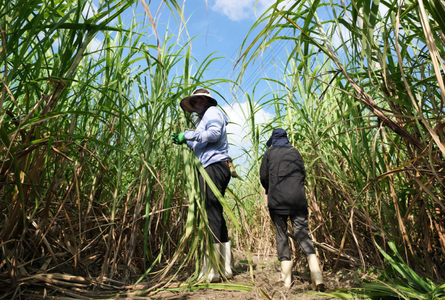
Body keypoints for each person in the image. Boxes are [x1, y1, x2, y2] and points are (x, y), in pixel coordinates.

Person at [172, 88, 233, 283]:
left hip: (214, 167)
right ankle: (225, 267)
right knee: (215, 212)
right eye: (194, 101)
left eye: (200, 100)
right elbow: (202, 143)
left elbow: (214, 135)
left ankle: (213, 270)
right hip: (215, 166)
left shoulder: (212, 112)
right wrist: (186, 141)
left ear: (207, 101)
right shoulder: (203, 119)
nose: (197, 104)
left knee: (211, 213)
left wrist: (188, 135)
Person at [260, 128, 324, 290]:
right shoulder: (295, 152)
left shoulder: (269, 153)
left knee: (281, 235)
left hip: (277, 201)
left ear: (273, 140)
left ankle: (286, 280)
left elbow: (263, 177)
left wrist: (270, 189)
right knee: (303, 235)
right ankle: (317, 277)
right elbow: (302, 174)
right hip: (298, 201)